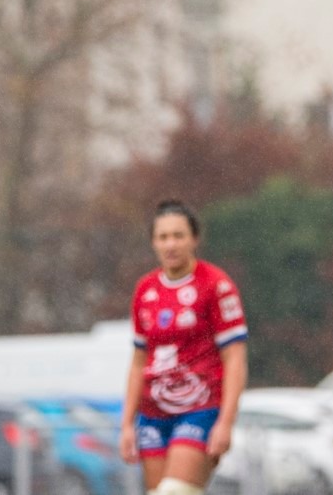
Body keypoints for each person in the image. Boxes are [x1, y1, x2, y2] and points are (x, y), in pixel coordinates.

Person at [119, 200, 248, 495]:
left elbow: (235, 358)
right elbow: (139, 361)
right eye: (163, 237)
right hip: (153, 414)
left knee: (175, 492)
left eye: (178, 235)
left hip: (201, 408)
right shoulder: (145, 290)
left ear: (194, 239)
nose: (171, 244)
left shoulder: (215, 285)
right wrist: (127, 424)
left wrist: (226, 422)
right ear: (153, 242)